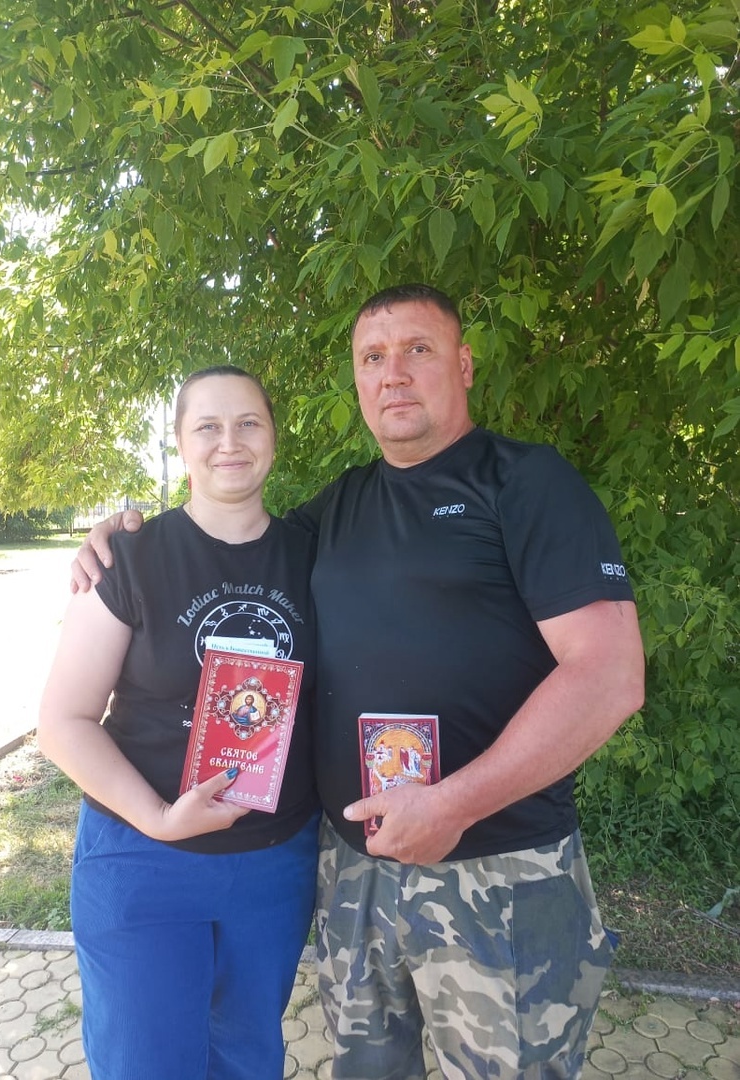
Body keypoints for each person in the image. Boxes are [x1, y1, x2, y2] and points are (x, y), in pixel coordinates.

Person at [72, 286, 645, 1080]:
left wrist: (454, 804)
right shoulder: (336, 508)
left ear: (464, 365)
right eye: (373, 357)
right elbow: (229, 538)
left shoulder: (525, 482)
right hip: (355, 871)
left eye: (418, 350)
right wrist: (126, 533)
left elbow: (610, 676)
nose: (393, 373)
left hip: (497, 870)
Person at [40, 367, 319, 1080]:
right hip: (142, 858)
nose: (230, 441)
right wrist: (160, 819)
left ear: (274, 437)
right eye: (208, 427)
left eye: (249, 423)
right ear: (179, 443)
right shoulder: (128, 559)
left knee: (247, 1057)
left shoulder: (315, 554)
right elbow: (64, 721)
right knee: (146, 1063)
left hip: (272, 864)